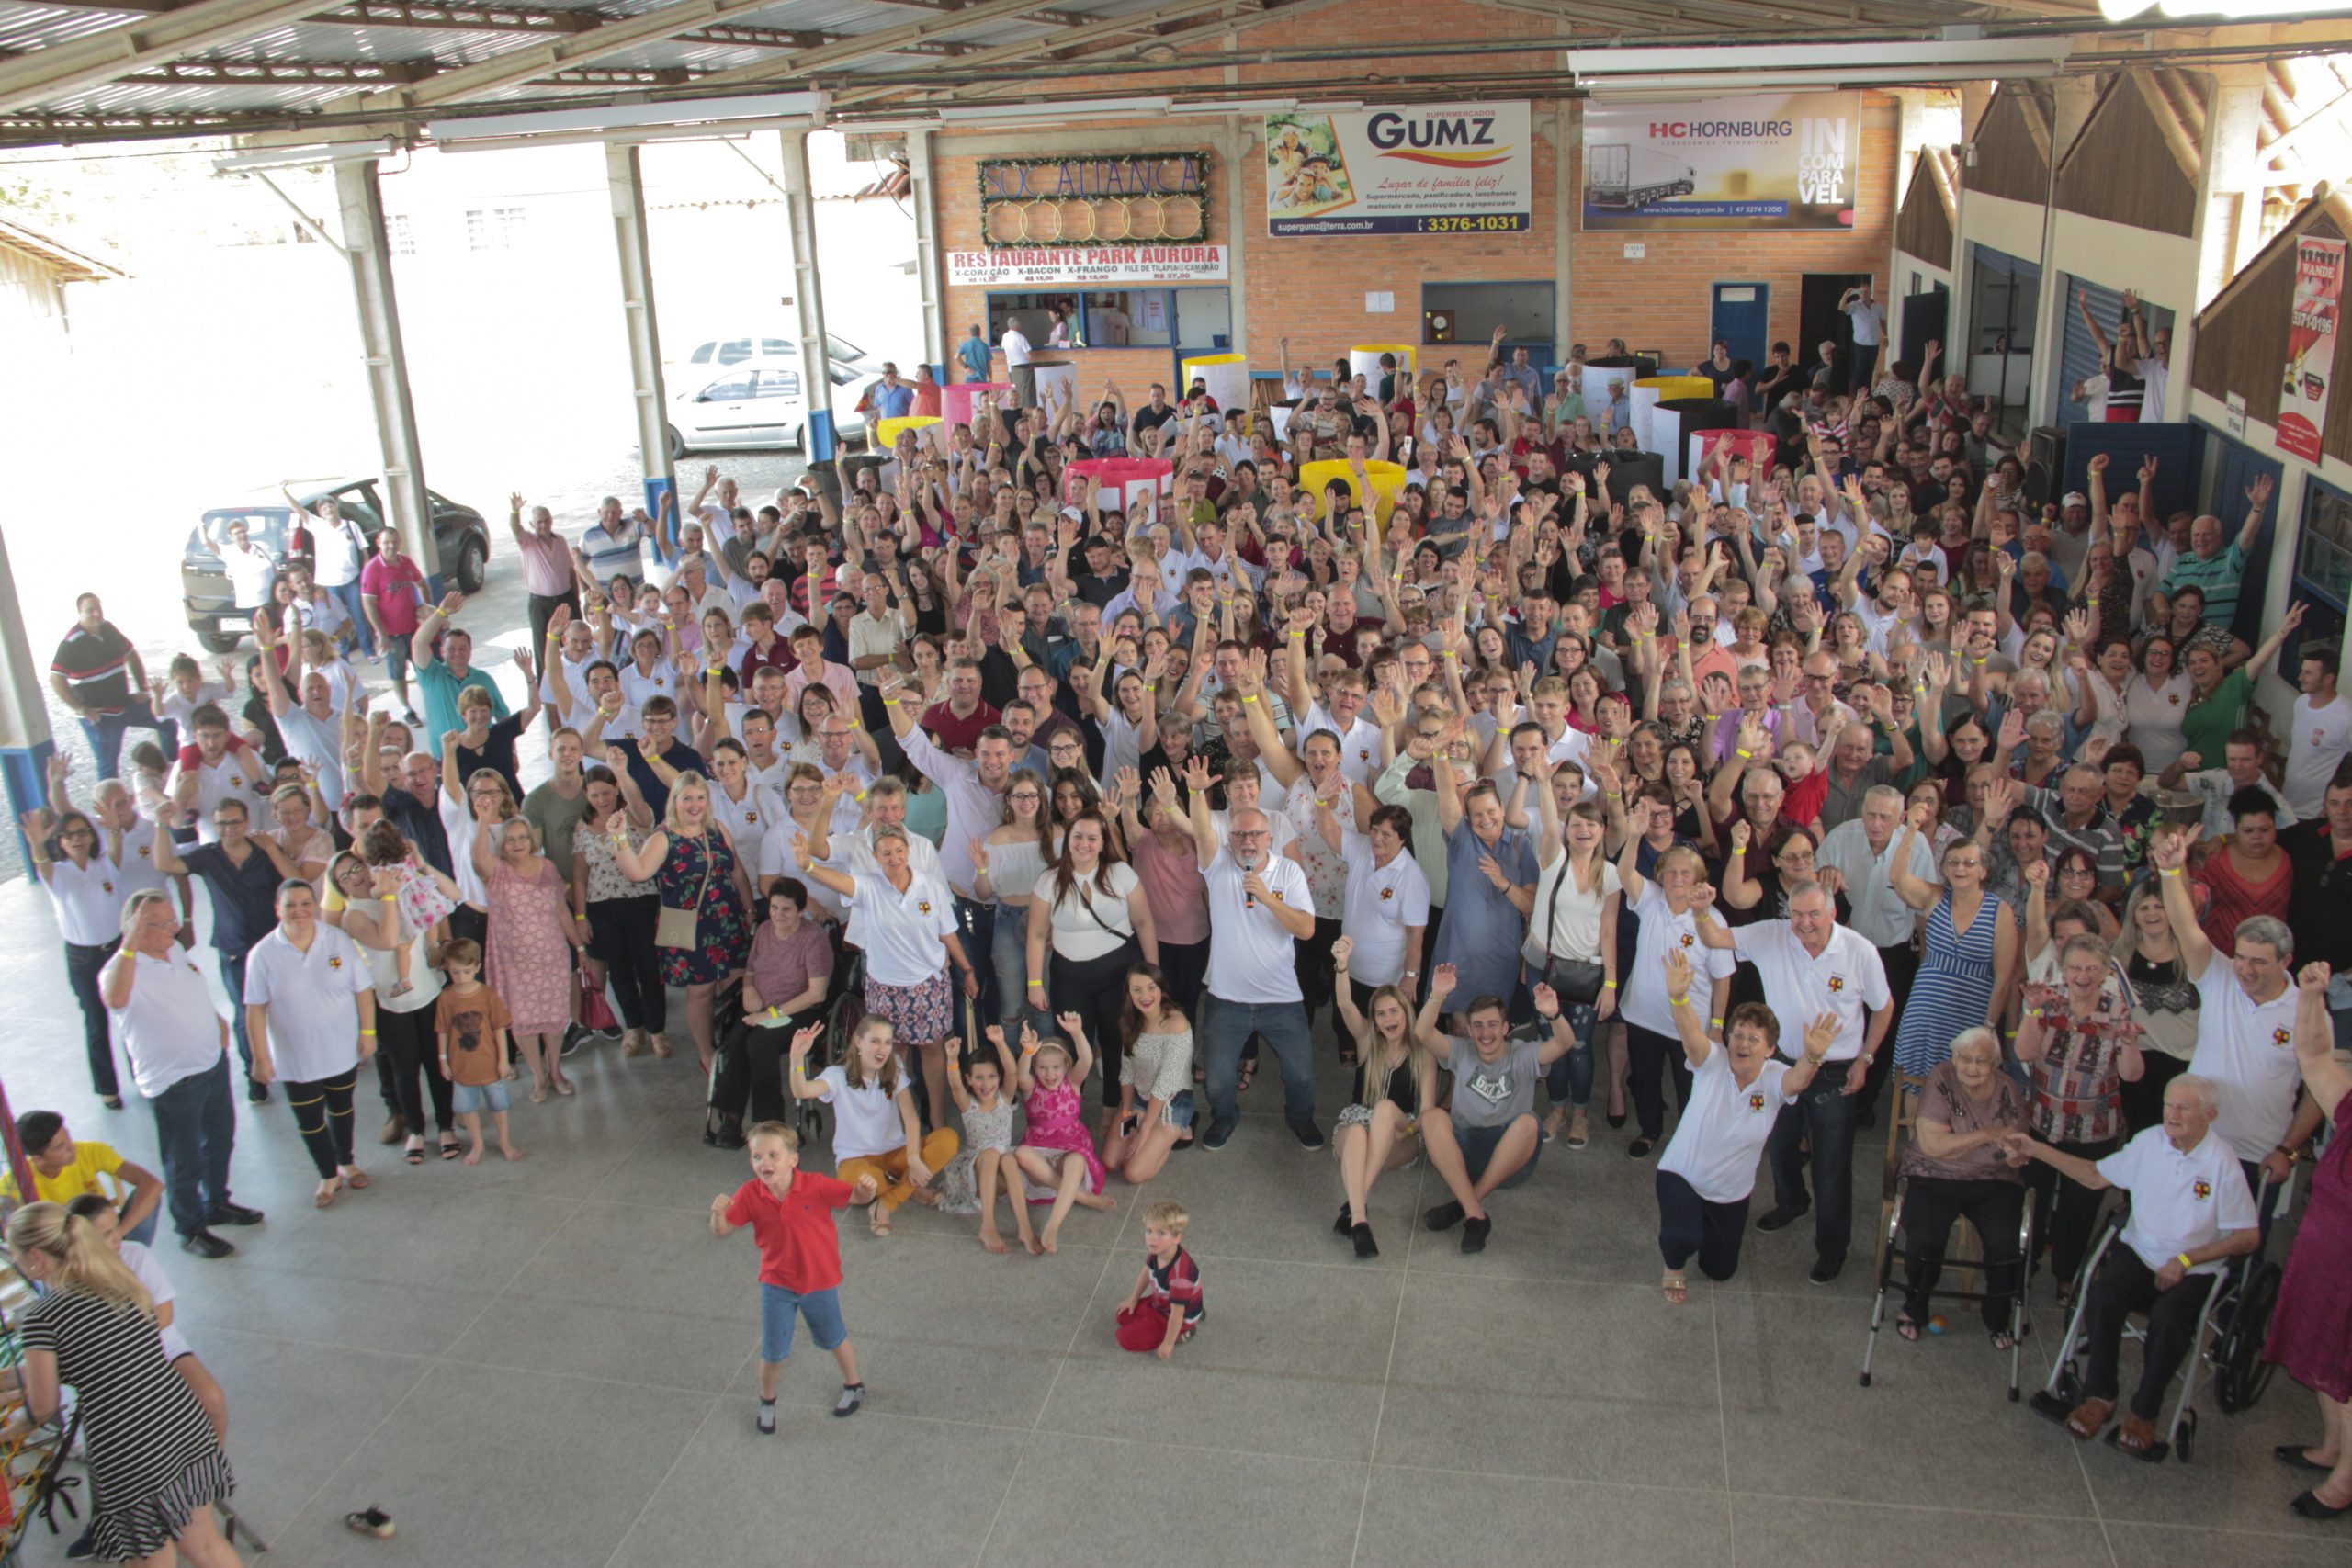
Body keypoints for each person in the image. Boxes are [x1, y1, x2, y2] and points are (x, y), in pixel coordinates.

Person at [2007, 1075, 2259, 1456]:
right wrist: (2036, 1149)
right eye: (2168, 1105)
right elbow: (2094, 1175)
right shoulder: (2148, 1143)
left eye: (2183, 1108)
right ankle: (2100, 1396)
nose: (2171, 1115)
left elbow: (2247, 1237)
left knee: (2170, 1320)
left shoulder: (2222, 1162)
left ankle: (2145, 1411)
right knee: (2103, 1294)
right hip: (2141, 1252)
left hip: (2194, 1268)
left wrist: (2187, 1259)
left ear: (2210, 1115)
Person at [2, 1202, 244, 1568]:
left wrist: (13, 1429)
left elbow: (42, 1406)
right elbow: (102, 1357)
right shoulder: (120, 1281)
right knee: (205, 1546)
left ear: (35, 1257)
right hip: (181, 1422)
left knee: (149, 1559)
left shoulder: (42, 1317)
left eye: (14, 1254)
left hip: (129, 1446)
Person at [1693, 860, 1892, 1284]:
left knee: (1831, 1163)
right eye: (1796, 914)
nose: (1803, 924)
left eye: (1813, 915)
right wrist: (1700, 909)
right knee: (1778, 1142)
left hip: (1836, 1070)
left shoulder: (1859, 951)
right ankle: (1791, 1202)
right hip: (1781, 1063)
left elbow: (1884, 1006)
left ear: (1833, 912)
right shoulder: (1772, 935)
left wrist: (1866, 1059)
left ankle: (1833, 1246)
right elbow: (1714, 936)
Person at [2151, 830, 2316, 1216]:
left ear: (2285, 962)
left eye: (2259, 962)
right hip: (2199, 1142)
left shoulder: (2306, 1010)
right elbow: (2184, 924)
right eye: (2241, 957)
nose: (2245, 969)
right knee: (2183, 1239)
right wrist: (2172, 871)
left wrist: (2287, 1149)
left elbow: (2317, 1093)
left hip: (2259, 1156)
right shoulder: (2219, 976)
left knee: (2242, 1257)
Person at [1654, 949, 1833, 1301]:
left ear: (1769, 1049)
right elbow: (1691, 1034)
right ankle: (1672, 1264)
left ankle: (1697, 1224)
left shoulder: (1775, 1078)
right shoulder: (1712, 1061)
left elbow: (1797, 1081)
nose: (1743, 1044)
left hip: (1730, 1193)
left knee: (1720, 1271)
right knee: (1682, 1238)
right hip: (1682, 1175)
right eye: (1738, 1035)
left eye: (1754, 1039)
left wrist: (1812, 1056)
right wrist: (1678, 997)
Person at [97, 891, 257, 1258]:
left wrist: (215, 1020)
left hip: (210, 1065)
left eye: (173, 919)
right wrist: (130, 944)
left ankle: (216, 1201)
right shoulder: (122, 968)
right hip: (174, 1081)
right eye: (161, 923)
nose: (173, 928)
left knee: (220, 1141)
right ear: (135, 927)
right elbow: (115, 999)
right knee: (183, 1158)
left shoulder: (174, 951)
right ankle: (190, 1227)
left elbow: (192, 985)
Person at [1179, 754, 1322, 1153]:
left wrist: (1267, 897)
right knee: (1220, 1080)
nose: (1247, 842)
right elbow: (1202, 831)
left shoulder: (1288, 874)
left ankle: (1300, 1120)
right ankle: (1225, 1118)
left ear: (1269, 837)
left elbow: (1307, 930)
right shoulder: (1217, 863)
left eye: (1255, 835)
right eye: (1240, 836)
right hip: (1228, 1000)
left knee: (1302, 1076)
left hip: (1282, 998)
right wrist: (1195, 792)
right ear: (1230, 839)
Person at [792, 822, 974, 1128]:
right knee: (893, 1053)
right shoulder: (868, 886)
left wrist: (967, 970)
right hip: (886, 989)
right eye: (886, 853)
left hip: (928, 986)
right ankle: (901, 1121)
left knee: (932, 1048)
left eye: (899, 851)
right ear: (876, 856)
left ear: (909, 851)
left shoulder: (929, 885)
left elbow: (949, 933)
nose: (894, 858)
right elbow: (837, 880)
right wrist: (808, 865)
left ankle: (937, 1118)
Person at [709, 1120, 874, 1434]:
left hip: (819, 1281)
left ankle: (854, 1384)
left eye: (772, 1155)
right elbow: (723, 1229)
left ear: (792, 1160)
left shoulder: (814, 1185)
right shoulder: (749, 1194)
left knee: (835, 1338)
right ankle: (767, 1402)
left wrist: (866, 1191)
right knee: (773, 1352)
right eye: (757, 1157)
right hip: (777, 1284)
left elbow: (855, 1197)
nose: (764, 1163)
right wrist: (718, 1214)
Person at [2267, 963, 2352, 1519]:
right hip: (2328, 1245)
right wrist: (2311, 998)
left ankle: (2346, 1479)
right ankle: (2331, 1446)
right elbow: (2316, 1058)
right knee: (2322, 1342)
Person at [2015, 933, 2145, 1297]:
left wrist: (2131, 1044)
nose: (2082, 976)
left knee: (2079, 1208)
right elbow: (2024, 1052)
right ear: (2064, 968)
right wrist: (2031, 1011)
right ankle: (2024, 1268)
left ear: (2105, 971)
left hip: (2093, 1130)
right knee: (2034, 1201)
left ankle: (2066, 1276)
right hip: (2042, 1122)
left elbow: (2132, 1075)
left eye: (2091, 969)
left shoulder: (2118, 1007)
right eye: (2075, 968)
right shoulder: (2049, 999)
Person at [151, 795, 300, 1103]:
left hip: (273, 945)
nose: (229, 829)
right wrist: (160, 825)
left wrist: (273, 850)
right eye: (222, 824)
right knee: (245, 1012)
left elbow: (296, 881)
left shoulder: (265, 851)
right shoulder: (208, 857)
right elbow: (164, 862)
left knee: (285, 1007)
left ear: (247, 822)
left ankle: (292, 1066)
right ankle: (254, 1073)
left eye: (234, 822)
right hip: (234, 949)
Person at [1415, 969, 1577, 1253]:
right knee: (1431, 1118)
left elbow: (1565, 1043)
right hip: (1463, 1157)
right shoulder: (1460, 1050)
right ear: (1469, 1030)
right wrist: (1437, 996)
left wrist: (1554, 1015)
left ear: (1505, 1028)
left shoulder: (1523, 1054)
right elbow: (1423, 1033)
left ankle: (1462, 1206)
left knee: (1529, 1123)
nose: (1485, 1033)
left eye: (1492, 1025)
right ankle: (1475, 1215)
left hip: (1511, 1162)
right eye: (1477, 1025)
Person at [243, 878, 377, 1209]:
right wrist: (261, 1057)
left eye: (305, 903)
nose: (299, 911)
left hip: (340, 1047)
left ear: (315, 906)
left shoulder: (338, 940)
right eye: (290, 905)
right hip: (294, 1056)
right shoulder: (262, 955)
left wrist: (368, 1034)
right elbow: (255, 1010)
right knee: (310, 1119)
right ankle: (327, 1173)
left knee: (342, 1108)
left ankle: (346, 1161)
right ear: (277, 909)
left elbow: (362, 989)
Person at [613, 770, 756, 1076]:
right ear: (674, 801)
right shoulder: (663, 838)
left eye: (700, 798)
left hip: (726, 920)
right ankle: (707, 1053)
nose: (694, 804)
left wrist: (749, 911)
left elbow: (738, 872)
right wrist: (619, 838)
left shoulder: (716, 829)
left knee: (736, 985)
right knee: (701, 991)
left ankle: (735, 1045)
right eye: (687, 798)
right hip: (690, 925)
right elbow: (637, 872)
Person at [1026, 807, 1157, 1134]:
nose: (1084, 844)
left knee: (1118, 1041)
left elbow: (1143, 922)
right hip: (1070, 977)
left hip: (1119, 971)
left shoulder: (1120, 874)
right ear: (1067, 839)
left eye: (1092, 838)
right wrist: (1034, 983)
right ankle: (1068, 1110)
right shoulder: (1049, 880)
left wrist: (1152, 974)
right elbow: (1037, 934)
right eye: (1078, 836)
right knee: (1073, 1045)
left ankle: (1113, 1107)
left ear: (1103, 843)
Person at [1894, 1027, 2029, 1345]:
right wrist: (1987, 1135)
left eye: (1981, 1061)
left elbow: (2019, 1146)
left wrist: (2014, 1156)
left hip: (1993, 1179)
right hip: (1934, 1174)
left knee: (2005, 1242)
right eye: (1965, 1059)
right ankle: (1915, 1307)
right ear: (1954, 1057)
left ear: (1995, 1062)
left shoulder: (2008, 1088)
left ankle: (1998, 1317)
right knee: (1925, 1238)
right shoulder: (1942, 1078)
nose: (1971, 1067)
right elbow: (1933, 1146)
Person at [64, 1192, 230, 1444]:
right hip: (115, 1361)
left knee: (212, 1400)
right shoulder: (71, 1277)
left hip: (160, 1346)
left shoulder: (136, 1255)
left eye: (117, 1226)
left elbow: (164, 1315)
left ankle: (213, 1466)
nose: (118, 1237)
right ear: (83, 1241)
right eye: (106, 1234)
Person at [1615, 817, 1736, 1159]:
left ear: (1699, 879)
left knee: (1689, 1087)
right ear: (1660, 877)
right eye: (1671, 872)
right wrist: (1635, 836)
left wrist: (1717, 1026)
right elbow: (1625, 875)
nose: (1678, 878)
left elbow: (1723, 977)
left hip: (1690, 1025)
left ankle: (1688, 1140)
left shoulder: (1713, 921)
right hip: (1643, 1016)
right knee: (1645, 1080)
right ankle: (1650, 1130)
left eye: (1686, 873)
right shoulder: (1651, 899)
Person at [330, 851, 455, 1163]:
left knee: (437, 1062)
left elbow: (435, 908)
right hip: (391, 1004)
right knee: (405, 1070)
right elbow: (387, 940)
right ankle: (415, 1128)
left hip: (428, 992)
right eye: (344, 876)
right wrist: (388, 895)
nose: (355, 877)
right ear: (340, 887)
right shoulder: (353, 915)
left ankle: (446, 1125)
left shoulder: (399, 888)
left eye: (356, 868)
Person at [790, 1014, 957, 1235]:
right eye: (875, 1041)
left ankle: (887, 1203)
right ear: (858, 1041)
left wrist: (913, 1157)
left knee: (948, 1139)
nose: (883, 1049)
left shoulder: (894, 1066)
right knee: (866, 1185)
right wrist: (796, 1059)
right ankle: (911, 1188)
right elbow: (802, 1091)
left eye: (888, 1042)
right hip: (856, 1161)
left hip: (896, 1154)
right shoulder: (837, 1075)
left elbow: (910, 1115)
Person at [1888, 802, 2017, 1077]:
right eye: (1953, 863)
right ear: (1944, 869)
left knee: (1965, 1088)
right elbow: (1897, 877)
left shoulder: (2000, 911)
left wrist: (1989, 1027)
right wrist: (1911, 829)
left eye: (1970, 863)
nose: (1961, 868)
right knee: (1913, 1083)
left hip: (1972, 1016)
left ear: (1983, 871)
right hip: (1926, 1012)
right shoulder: (1934, 897)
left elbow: (2004, 979)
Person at [1329, 940, 1438, 1259]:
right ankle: (1359, 1219)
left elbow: (1427, 1114)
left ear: (1406, 1013)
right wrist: (1342, 965)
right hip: (1356, 1125)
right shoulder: (1367, 1041)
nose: (1388, 1019)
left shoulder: (1423, 1053)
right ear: (1374, 1021)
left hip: (1399, 1132)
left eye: (1394, 1011)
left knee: (1386, 1108)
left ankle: (1355, 1201)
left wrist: (1405, 1131)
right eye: (1381, 1014)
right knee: (1360, 1132)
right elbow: (1346, 1003)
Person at [21, 796, 134, 1105]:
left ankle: (142, 1074)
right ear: (60, 841)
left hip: (116, 951)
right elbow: (41, 863)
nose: (77, 839)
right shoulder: (59, 873)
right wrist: (36, 844)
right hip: (83, 958)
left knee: (130, 1015)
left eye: (82, 832)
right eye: (69, 835)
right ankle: (108, 1089)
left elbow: (116, 846)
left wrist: (113, 828)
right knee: (96, 1023)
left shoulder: (104, 865)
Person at [471, 813, 586, 1101]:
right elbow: (477, 857)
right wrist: (483, 821)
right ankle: (538, 1076)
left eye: (522, 837)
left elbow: (561, 909)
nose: (517, 843)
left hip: (553, 957)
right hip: (515, 964)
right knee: (523, 1020)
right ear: (502, 845)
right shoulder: (496, 870)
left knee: (554, 1017)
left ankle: (556, 1070)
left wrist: (579, 948)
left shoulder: (547, 867)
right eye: (510, 839)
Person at [1008, 1012, 1120, 1252]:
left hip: (1068, 1149)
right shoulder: (1030, 1088)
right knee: (1022, 1153)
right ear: (1036, 1069)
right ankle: (1081, 1197)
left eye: (1056, 1067)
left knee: (1077, 1161)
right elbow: (1020, 1075)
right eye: (1043, 1068)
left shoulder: (1072, 1082)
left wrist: (1078, 1033)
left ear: (1066, 1066)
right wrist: (1028, 1052)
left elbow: (1087, 1062)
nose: (1050, 1074)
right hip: (1039, 1156)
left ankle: (1052, 1227)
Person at [937, 1025, 1035, 1253]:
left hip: (1001, 1175)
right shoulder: (967, 1104)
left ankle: (1025, 1227)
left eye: (991, 1077)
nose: (986, 1084)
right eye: (978, 1078)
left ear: (998, 1078)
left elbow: (1012, 1073)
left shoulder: (1005, 1097)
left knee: (1009, 1159)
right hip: (976, 1175)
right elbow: (953, 1084)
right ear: (968, 1080)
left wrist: (1000, 1042)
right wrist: (952, 1059)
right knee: (991, 1154)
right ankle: (988, 1225)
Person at [4, 1110, 164, 1247]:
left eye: (68, 1137)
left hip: (108, 1235)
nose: (71, 1147)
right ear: (37, 1158)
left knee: (150, 1197)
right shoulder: (17, 1182)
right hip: (69, 1252)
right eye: (60, 1146)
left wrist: (119, 1233)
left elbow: (152, 1185)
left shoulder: (90, 1151)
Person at [1102, 964, 1194, 1186]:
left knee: (1133, 1173)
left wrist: (1143, 1130)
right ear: (1128, 994)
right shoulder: (1129, 1022)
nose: (1145, 996)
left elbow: (1165, 1083)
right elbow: (1127, 1073)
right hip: (1139, 1100)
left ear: (1161, 989)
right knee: (1111, 1162)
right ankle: (1152, 1131)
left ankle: (1175, 1130)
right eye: (1136, 989)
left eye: (1151, 988)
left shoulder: (1177, 1023)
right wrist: (1126, 1112)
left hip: (1170, 1104)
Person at [433, 937, 522, 1164]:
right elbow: (442, 1030)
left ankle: (504, 1140)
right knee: (467, 1107)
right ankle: (478, 1143)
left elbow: (500, 1029)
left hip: (490, 1064)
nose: (461, 977)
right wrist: (443, 1059)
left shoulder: (488, 995)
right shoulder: (446, 998)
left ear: (477, 968)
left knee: (498, 1104)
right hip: (461, 1066)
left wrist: (504, 1060)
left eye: (466, 971)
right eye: (455, 972)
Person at [51, 592, 157, 780]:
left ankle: (167, 774)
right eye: (90, 610)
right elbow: (56, 679)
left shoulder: (108, 629)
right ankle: (110, 804)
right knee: (108, 764)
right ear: (79, 613)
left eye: (98, 609)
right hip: (101, 716)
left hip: (124, 704)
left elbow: (131, 656)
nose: (96, 614)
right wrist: (81, 709)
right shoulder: (71, 643)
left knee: (166, 719)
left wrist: (142, 689)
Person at [1114, 1200, 1204, 1358]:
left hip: (1175, 1315)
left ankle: (1184, 1332)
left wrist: (1167, 1344)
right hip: (1161, 1304)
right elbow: (1146, 1272)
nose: (1152, 1238)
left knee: (1124, 1339)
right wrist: (1133, 1299)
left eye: (1161, 1233)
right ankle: (1159, 1321)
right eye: (1149, 1231)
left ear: (1177, 1238)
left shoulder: (1179, 1277)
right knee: (1122, 1315)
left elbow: (1177, 1314)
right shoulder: (1159, 1252)